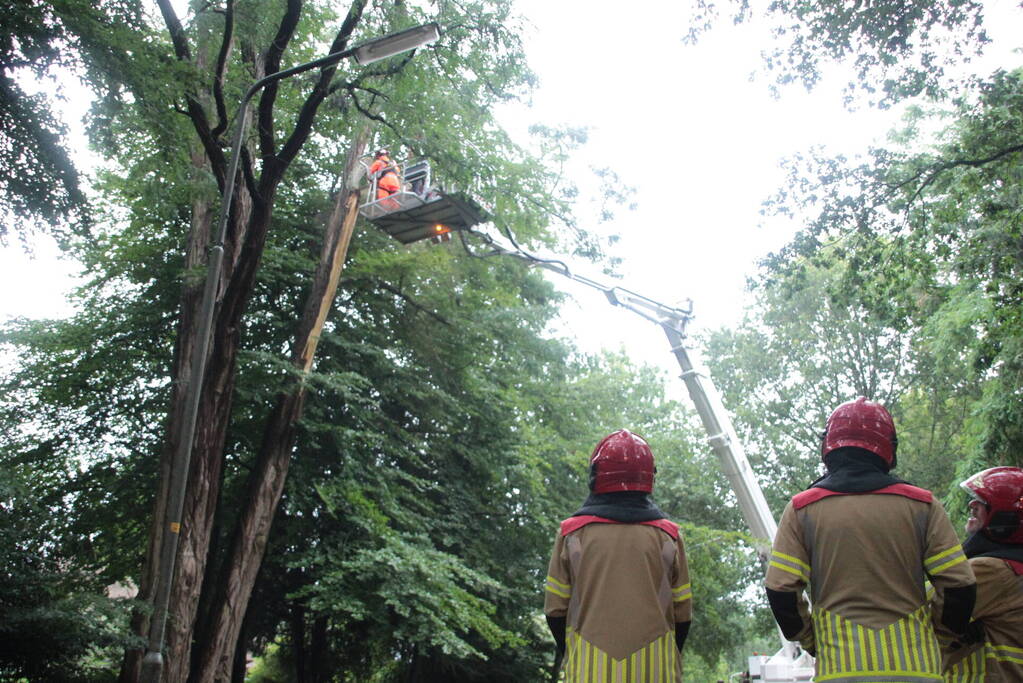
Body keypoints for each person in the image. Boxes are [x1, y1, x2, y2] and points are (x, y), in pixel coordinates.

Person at [765, 397, 977, 682]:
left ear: (829, 445)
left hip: (840, 669)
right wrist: (937, 637)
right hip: (916, 667)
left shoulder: (803, 509)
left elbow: (781, 590)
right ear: (888, 447)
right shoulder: (923, 505)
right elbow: (959, 586)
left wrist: (812, 641)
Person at [543, 429, 692, 682]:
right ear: (649, 477)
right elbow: (683, 615)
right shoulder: (670, 537)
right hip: (657, 671)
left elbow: (555, 611)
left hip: (588, 670)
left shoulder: (571, 535)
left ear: (596, 475)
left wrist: (574, 651)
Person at [933, 466, 1023, 681]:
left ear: (1007, 519)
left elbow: (923, 610)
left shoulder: (992, 570)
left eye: (982, 503)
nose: (971, 505)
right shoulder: (1013, 566)